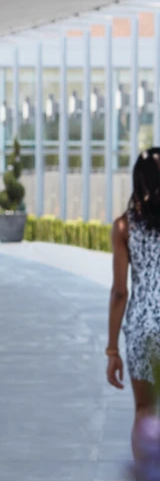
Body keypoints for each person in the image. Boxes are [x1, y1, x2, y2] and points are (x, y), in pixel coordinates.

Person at [106, 151, 160, 445]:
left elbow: (119, 292)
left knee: (145, 410)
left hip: (142, 327)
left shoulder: (125, 226)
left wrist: (112, 350)